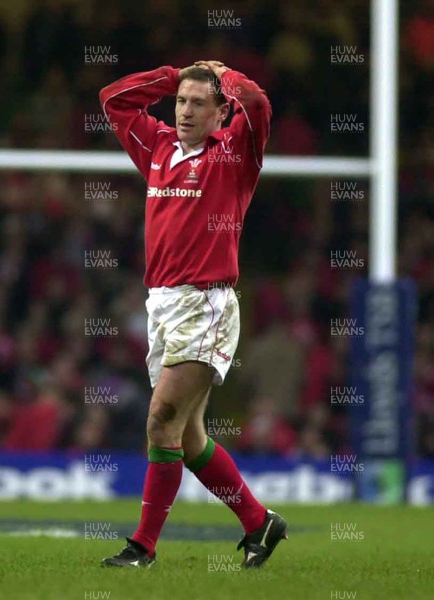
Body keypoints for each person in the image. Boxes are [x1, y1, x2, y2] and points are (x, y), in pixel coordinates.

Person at [99, 60, 287, 568]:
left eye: (198, 102)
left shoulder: (234, 155)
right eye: (180, 101)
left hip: (206, 303)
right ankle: (259, 522)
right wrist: (177, 73)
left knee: (160, 420)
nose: (184, 110)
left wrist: (223, 76)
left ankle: (142, 547)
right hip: (162, 303)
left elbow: (259, 105)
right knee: (187, 437)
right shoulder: (157, 148)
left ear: (219, 111)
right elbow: (113, 100)